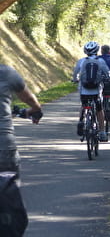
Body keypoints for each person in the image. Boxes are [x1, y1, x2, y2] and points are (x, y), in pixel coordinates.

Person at [0, 65, 43, 237]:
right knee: (9, 200)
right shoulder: (6, 73)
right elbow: (32, 102)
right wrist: (34, 112)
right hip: (4, 149)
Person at [0, 65, 43, 177]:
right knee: (7, 187)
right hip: (3, 146)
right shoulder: (6, 72)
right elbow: (28, 98)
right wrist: (35, 109)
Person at [72, 41, 110, 142]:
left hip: (84, 90)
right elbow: (107, 73)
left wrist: (74, 80)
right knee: (99, 110)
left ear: (85, 51)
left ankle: (81, 122)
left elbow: (75, 74)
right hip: (96, 90)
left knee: (83, 105)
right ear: (97, 50)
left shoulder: (81, 61)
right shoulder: (101, 61)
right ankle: (102, 132)